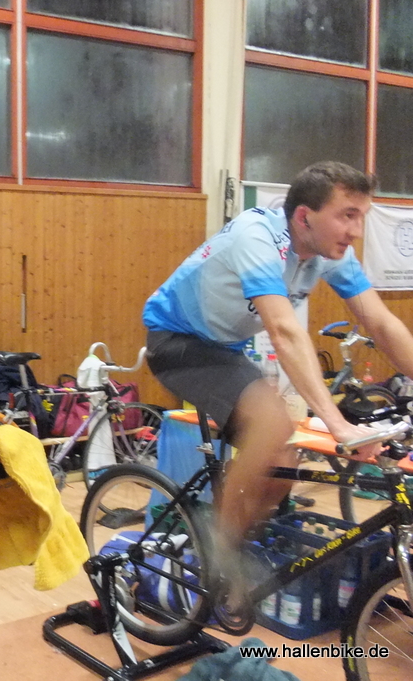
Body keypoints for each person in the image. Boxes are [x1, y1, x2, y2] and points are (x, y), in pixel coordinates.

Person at [142, 161, 413, 593]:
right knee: (270, 426)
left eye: (362, 217)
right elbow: (285, 332)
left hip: (223, 349)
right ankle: (218, 553)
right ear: (304, 216)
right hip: (176, 341)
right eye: (347, 215)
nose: (357, 231)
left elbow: (380, 322)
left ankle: (228, 536)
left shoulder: (328, 255)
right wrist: (337, 423)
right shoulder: (257, 238)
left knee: (283, 463)